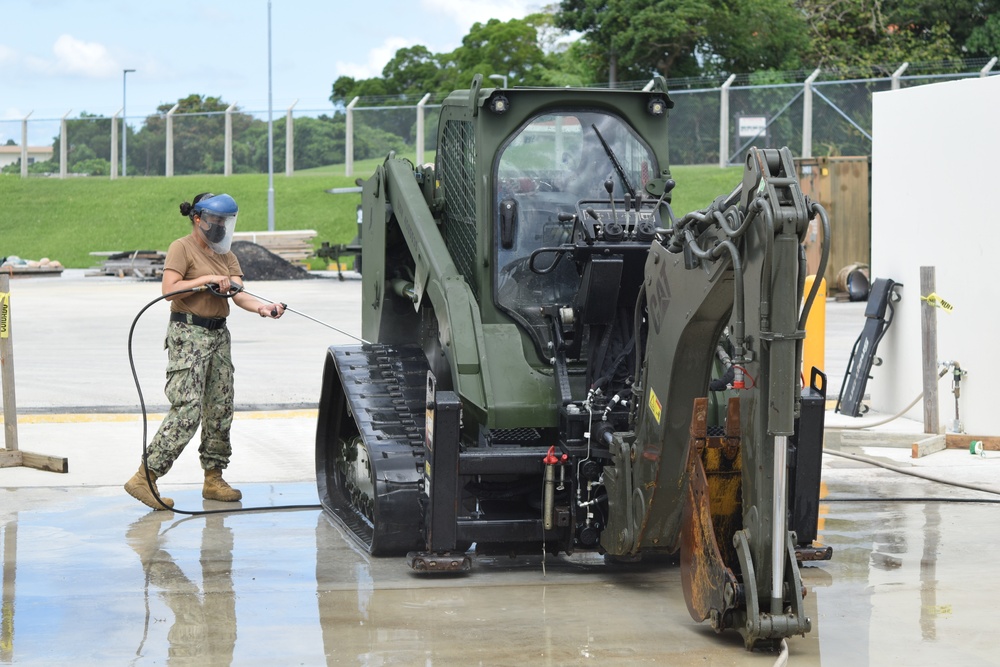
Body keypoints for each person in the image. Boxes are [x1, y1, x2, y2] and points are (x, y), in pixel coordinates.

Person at [125, 192, 285, 510]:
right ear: (198, 219)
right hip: (188, 333)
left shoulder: (227, 254)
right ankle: (146, 476)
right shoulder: (181, 248)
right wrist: (207, 279)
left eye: (225, 222)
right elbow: (169, 290)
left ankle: (214, 477)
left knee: (220, 408)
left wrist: (264, 308)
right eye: (215, 221)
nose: (220, 227)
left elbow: (239, 294)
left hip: (218, 336)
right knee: (187, 408)